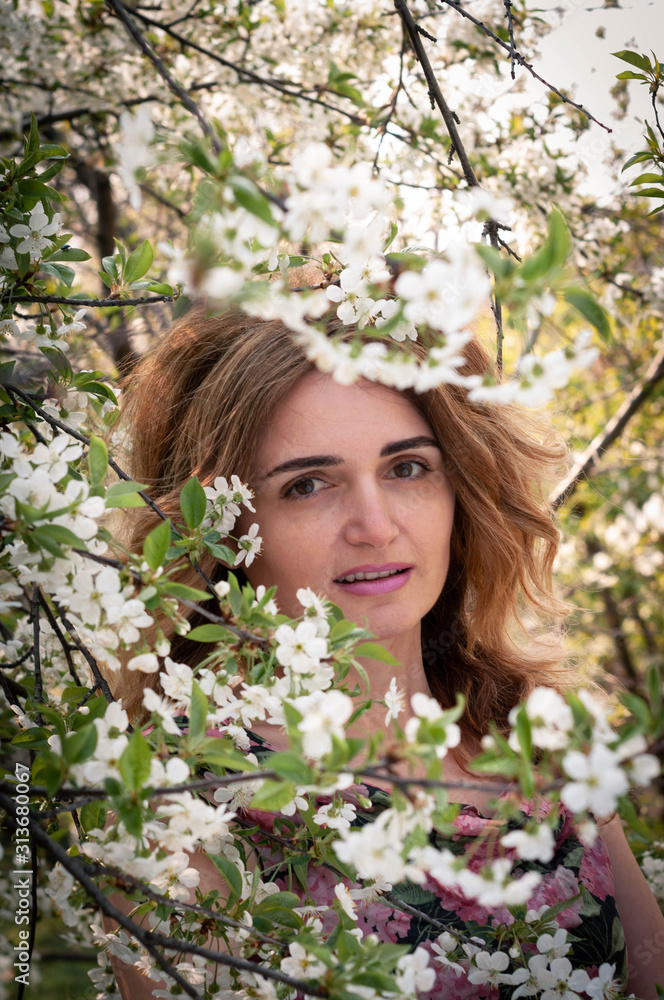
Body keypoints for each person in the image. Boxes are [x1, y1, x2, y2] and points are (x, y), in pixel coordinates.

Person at [104, 306, 664, 999]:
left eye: (407, 468)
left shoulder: (537, 732)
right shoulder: (186, 810)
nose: (375, 525)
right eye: (307, 485)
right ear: (217, 529)